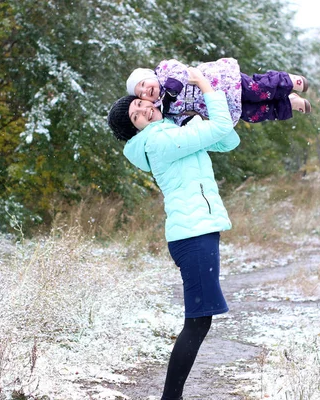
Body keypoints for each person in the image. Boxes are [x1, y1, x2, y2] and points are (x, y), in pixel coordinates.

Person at [108, 67, 239, 400]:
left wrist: (197, 116)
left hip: (199, 230)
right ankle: (170, 397)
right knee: (198, 320)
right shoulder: (160, 141)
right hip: (192, 236)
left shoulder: (171, 131)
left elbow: (227, 140)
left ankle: (172, 397)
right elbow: (223, 126)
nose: (143, 109)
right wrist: (207, 86)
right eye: (136, 117)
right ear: (135, 130)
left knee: (200, 319)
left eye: (140, 104)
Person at [125, 58, 311, 127]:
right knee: (254, 115)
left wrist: (173, 88)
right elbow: (178, 119)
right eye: (140, 92)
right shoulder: (163, 109)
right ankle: (291, 103)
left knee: (258, 91)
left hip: (226, 83)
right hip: (221, 105)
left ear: (150, 75)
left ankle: (288, 81)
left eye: (143, 83)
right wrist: (189, 124)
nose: (145, 90)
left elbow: (179, 70)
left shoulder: (164, 72)